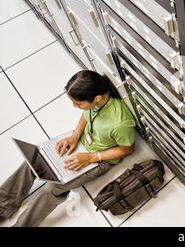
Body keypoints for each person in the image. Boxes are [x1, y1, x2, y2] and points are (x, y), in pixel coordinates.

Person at [0, 70, 136, 227]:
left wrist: (91, 158)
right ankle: (3, 207)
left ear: (97, 98)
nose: (75, 107)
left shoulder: (120, 122)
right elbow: (87, 113)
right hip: (82, 144)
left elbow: (127, 150)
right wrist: (75, 136)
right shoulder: (96, 101)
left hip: (100, 159)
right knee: (33, 161)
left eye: (78, 103)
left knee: (51, 189)